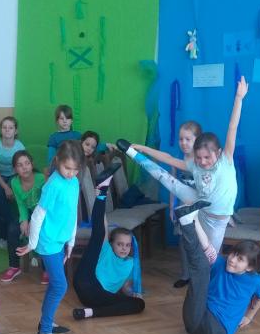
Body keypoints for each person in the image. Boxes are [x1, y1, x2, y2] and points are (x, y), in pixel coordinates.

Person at [123, 76, 248, 271]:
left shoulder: (225, 160)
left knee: (210, 260)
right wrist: (142, 149)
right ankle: (133, 155)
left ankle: (206, 283)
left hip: (217, 220)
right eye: (199, 158)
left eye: (207, 157)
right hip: (200, 205)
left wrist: (239, 98)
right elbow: (167, 159)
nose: (202, 162)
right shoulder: (194, 165)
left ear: (218, 153)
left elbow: (232, 127)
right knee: (166, 179)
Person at [174, 200, 260, 334]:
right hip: (197, 312)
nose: (232, 260)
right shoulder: (221, 263)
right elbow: (206, 245)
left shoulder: (255, 281)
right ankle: (186, 221)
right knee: (200, 268)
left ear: (249, 268)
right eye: (233, 254)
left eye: (240, 259)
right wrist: (195, 220)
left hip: (216, 327)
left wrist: (249, 316)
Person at [17, 140, 83, 334]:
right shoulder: (53, 185)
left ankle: (47, 322)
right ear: (57, 161)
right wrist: (32, 243)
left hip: (60, 239)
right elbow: (37, 215)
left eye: (75, 169)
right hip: (48, 241)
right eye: (67, 168)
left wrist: (71, 241)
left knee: (56, 284)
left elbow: (72, 213)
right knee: (60, 285)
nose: (71, 173)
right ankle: (44, 330)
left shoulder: (74, 182)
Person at [130, 120, 202, 288]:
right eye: (181, 139)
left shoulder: (202, 160)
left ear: (197, 140)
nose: (183, 143)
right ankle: (186, 275)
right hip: (184, 208)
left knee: (200, 242)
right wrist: (172, 207)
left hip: (200, 209)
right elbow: (172, 184)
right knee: (183, 241)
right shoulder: (179, 159)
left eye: (188, 139)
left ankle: (201, 274)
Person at [71, 165, 145, 320]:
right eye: (120, 244)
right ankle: (102, 191)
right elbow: (101, 226)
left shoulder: (130, 263)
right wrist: (100, 199)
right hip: (86, 280)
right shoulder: (106, 249)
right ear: (112, 244)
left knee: (139, 304)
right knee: (98, 234)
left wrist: (133, 294)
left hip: (99, 297)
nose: (124, 248)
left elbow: (125, 288)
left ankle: (88, 313)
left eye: (127, 245)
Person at [1, 151, 45, 283]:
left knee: (44, 230)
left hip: (44, 213)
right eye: (20, 165)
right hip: (28, 212)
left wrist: (34, 221)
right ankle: (14, 266)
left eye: (27, 163)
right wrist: (24, 220)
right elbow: (21, 204)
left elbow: (45, 204)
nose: (24, 167)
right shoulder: (14, 182)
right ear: (15, 169)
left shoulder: (41, 178)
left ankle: (47, 268)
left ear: (32, 164)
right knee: (12, 229)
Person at [0, 117, 25, 246]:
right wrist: (6, 187)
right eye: (4, 127)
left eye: (10, 128)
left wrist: (13, 186)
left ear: (15, 131)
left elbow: (22, 168)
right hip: (0, 176)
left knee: (14, 200)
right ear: (0, 130)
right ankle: (7, 234)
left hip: (15, 176)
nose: (7, 130)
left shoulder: (19, 146)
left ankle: (15, 233)